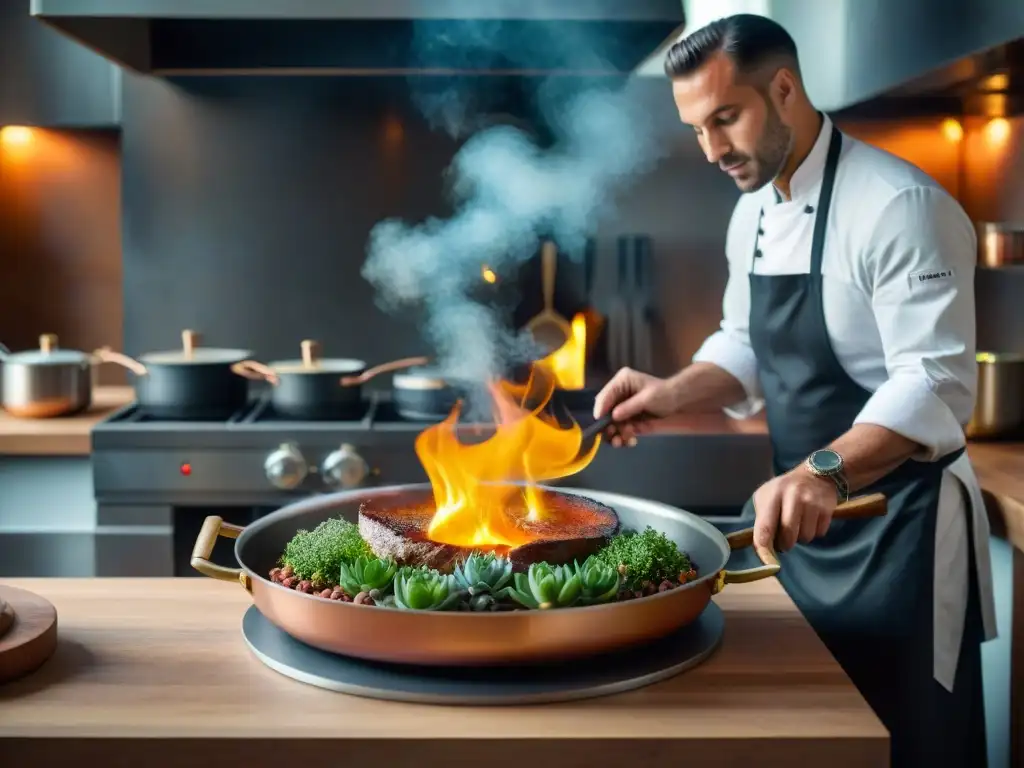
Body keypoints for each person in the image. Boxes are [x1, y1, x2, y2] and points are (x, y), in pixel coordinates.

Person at [593, 14, 997, 767]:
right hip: (801, 528)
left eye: (726, 118)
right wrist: (673, 392)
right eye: (697, 129)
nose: (713, 149)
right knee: (811, 734)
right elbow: (745, 342)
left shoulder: (900, 208)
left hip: (897, 527)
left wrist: (827, 471)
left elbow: (934, 384)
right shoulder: (751, 211)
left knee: (912, 742)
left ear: (784, 88)